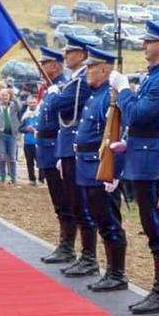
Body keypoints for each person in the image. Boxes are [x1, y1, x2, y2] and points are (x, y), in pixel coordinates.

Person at [115, 23, 159, 313]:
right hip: (143, 156)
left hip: (152, 160)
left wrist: (123, 90)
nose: (143, 46)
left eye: (148, 42)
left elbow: (137, 115)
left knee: (156, 224)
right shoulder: (155, 75)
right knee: (150, 224)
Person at [71, 45, 129, 292]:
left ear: (104, 70)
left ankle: (117, 273)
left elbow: (120, 135)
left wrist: (115, 171)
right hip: (87, 165)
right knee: (98, 218)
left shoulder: (110, 97)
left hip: (101, 166)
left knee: (108, 220)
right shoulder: (96, 95)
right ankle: (109, 270)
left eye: (91, 67)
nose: (87, 72)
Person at [48, 36, 99, 276]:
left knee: (81, 205)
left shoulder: (81, 82)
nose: (65, 56)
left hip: (76, 148)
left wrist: (54, 95)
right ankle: (80, 253)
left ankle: (89, 257)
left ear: (82, 54)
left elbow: (57, 105)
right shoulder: (74, 81)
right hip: (68, 147)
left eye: (70, 52)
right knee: (73, 203)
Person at [34, 47, 76, 265]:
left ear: (55, 65)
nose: (40, 68)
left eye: (44, 63)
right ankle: (64, 244)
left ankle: (67, 246)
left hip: (55, 147)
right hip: (46, 148)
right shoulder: (49, 88)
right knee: (57, 201)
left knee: (64, 200)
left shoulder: (62, 87)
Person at [0, 85, 20, 184]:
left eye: (6, 95)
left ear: (9, 96)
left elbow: (20, 107)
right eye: (2, 95)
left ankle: (13, 178)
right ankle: (2, 177)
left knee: (12, 157)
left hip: (12, 135)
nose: (5, 97)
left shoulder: (13, 106)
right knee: (2, 157)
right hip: (1, 135)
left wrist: (14, 97)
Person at [20, 92, 40, 184]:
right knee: (29, 162)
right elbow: (20, 128)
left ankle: (41, 178)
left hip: (38, 142)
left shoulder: (41, 114)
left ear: (37, 103)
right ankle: (32, 179)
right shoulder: (25, 115)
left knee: (40, 161)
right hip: (28, 142)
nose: (32, 104)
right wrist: (26, 128)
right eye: (31, 103)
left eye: (34, 102)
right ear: (28, 104)